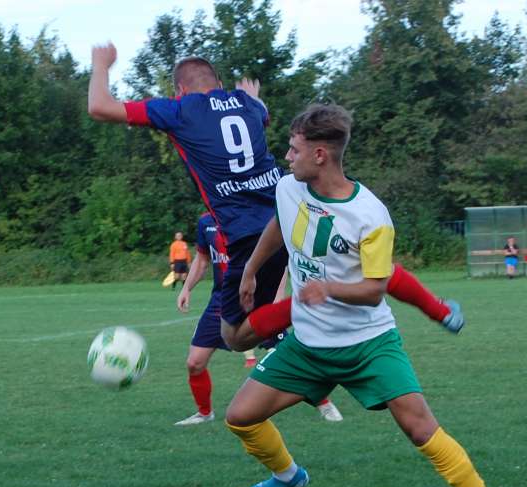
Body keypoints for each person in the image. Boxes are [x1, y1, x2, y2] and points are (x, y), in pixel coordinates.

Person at [225, 104, 515, 487]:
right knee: (240, 416)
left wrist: (330, 289)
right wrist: (251, 268)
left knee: (421, 428)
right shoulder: (289, 189)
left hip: (368, 344)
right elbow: (279, 227)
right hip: (307, 343)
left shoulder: (370, 215)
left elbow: (377, 288)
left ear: (320, 154)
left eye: (294, 148)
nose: (287, 156)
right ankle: (287, 477)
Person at [87, 44, 463, 353]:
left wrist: (101, 64)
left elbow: (99, 107)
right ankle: (440, 309)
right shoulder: (247, 104)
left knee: (234, 338)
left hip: (249, 233)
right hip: (291, 208)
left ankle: (304, 312)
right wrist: (252, 98)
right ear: (218, 84)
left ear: (179, 92)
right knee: (360, 268)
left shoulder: (179, 109)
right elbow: (260, 113)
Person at [175, 213, 343, 425]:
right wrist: (186, 289)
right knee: (194, 362)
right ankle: (205, 413)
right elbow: (202, 260)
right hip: (221, 302)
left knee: (289, 354)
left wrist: (277, 296)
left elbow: (278, 259)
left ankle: (323, 403)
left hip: (257, 298)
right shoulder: (205, 222)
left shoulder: (250, 217)